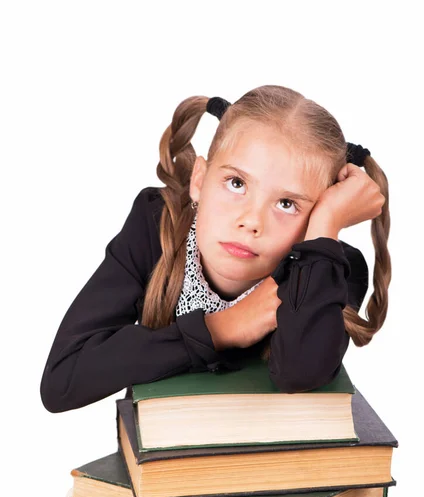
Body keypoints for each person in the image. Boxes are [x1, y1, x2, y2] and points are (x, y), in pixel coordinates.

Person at [40, 85, 389, 414]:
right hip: (165, 464)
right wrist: (221, 329)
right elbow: (63, 379)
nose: (251, 221)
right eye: (236, 183)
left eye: (286, 204)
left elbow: (301, 373)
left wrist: (326, 228)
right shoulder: (157, 224)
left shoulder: (329, 269)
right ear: (199, 180)